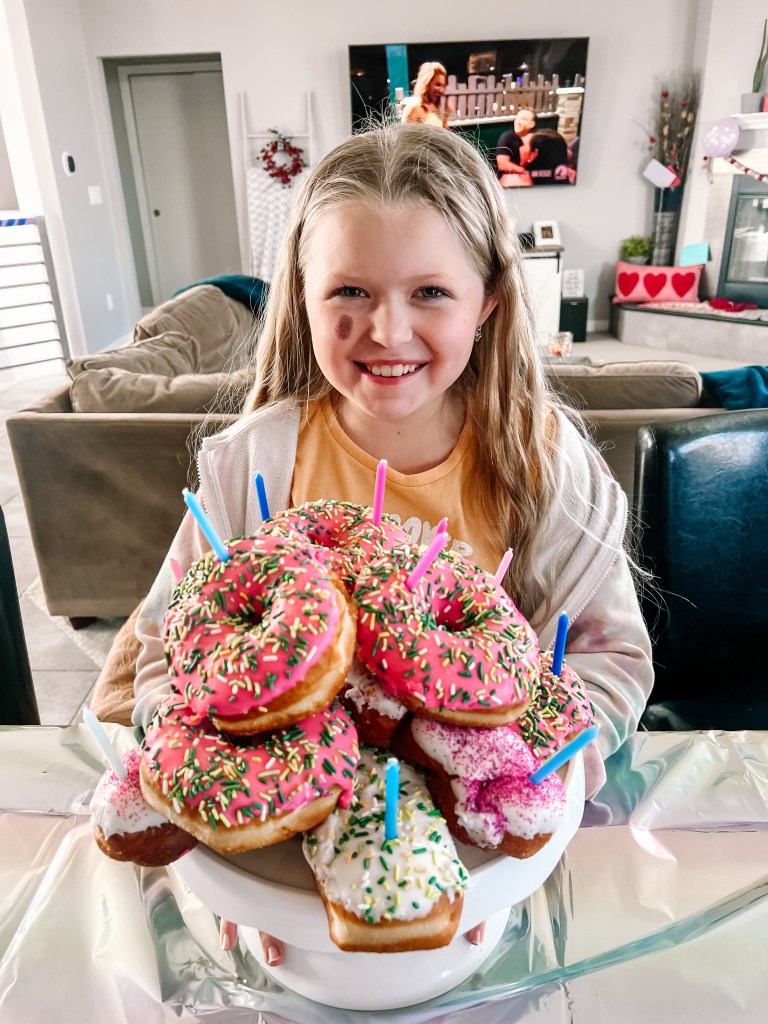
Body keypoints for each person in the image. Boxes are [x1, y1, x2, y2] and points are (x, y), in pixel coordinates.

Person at [133, 122, 653, 964]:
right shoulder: (252, 465)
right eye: (349, 290)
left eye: (430, 293)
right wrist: (234, 860)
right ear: (302, 295)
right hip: (284, 883)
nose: (387, 330)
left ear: (489, 300)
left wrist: (509, 830)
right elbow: (165, 657)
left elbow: (609, 660)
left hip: (479, 877)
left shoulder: (547, 467)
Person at [400, 61, 453, 127]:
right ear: (427, 84)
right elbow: (404, 132)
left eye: (443, 85)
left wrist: (446, 116)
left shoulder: (434, 107)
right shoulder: (414, 107)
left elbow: (442, 132)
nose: (442, 90)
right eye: (438, 85)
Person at [494, 107, 536, 178]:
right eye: (517, 119)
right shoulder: (507, 137)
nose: (518, 122)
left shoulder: (536, 138)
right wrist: (525, 172)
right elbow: (503, 165)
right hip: (509, 177)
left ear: (532, 124)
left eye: (523, 119)